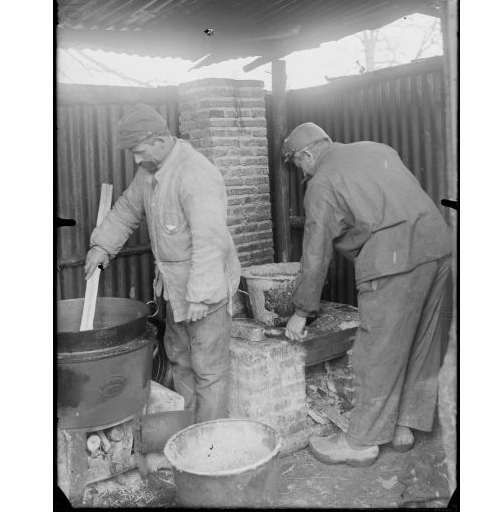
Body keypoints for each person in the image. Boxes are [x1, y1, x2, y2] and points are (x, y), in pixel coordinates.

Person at [282, 122, 452, 467]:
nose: (302, 171)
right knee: (422, 339)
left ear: (307, 154)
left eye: (298, 164)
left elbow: (316, 253)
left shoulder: (321, 184)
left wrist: (302, 311)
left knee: (378, 350)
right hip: (441, 244)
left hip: (394, 260)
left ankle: (360, 442)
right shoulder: (377, 148)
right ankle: (404, 428)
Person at [84, 103, 241, 423]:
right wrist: (102, 247)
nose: (136, 159)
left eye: (140, 150)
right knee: (181, 361)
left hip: (203, 290)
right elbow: (128, 209)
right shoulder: (149, 172)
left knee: (209, 371)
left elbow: (210, 241)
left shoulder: (195, 173)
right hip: (173, 288)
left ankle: (209, 445)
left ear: (158, 139)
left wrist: (200, 294)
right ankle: (188, 434)